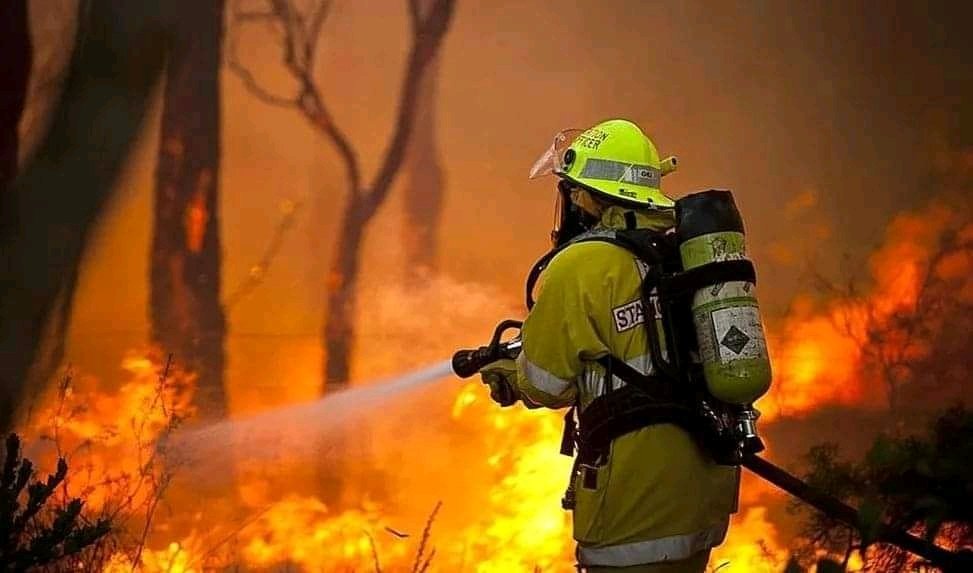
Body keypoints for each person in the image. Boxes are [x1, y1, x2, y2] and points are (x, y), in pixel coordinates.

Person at [478, 119, 739, 572]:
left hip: (631, 505)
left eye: (573, 190)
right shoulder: (680, 248)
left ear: (585, 196)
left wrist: (510, 374)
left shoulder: (580, 264)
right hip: (702, 498)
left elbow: (546, 385)